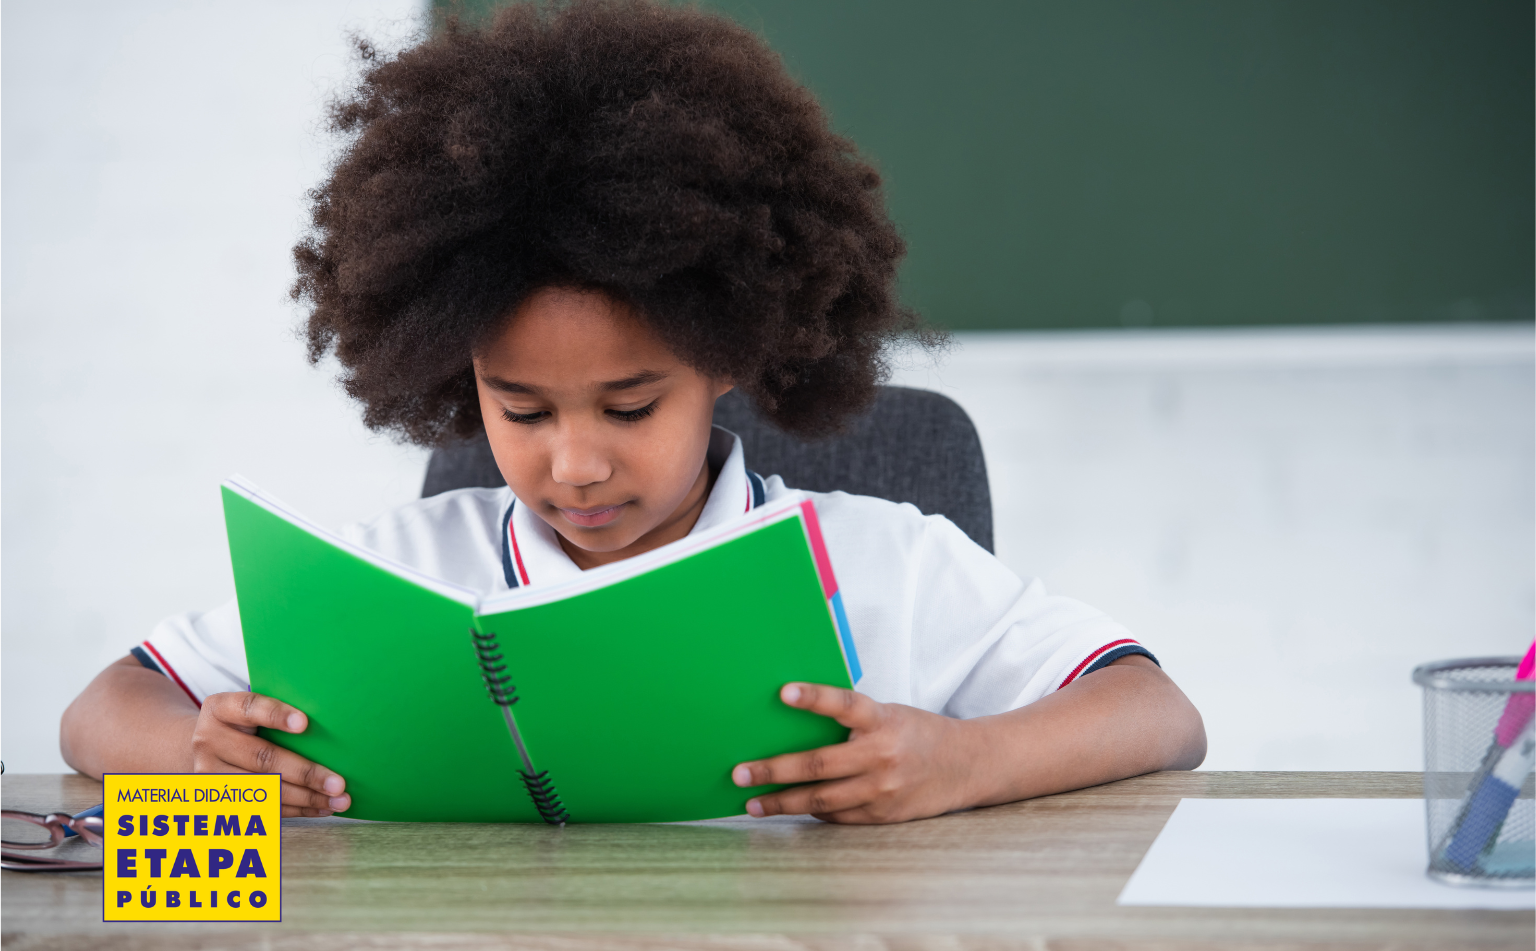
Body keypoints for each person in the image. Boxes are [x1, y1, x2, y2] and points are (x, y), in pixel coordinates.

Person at [59, 0, 1204, 824]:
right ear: (461, 379)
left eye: (629, 402)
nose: (575, 462)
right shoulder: (390, 576)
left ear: (728, 359)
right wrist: (190, 754)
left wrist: (963, 761)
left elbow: (1156, 710)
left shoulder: (884, 564)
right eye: (519, 408)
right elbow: (100, 710)